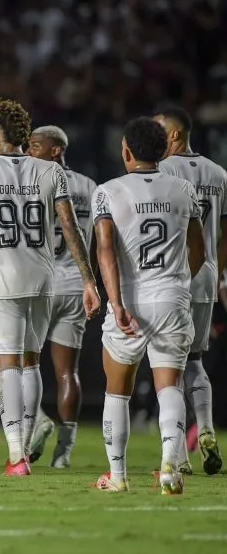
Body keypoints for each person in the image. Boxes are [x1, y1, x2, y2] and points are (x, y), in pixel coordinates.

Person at [0, 98, 100, 476]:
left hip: (1, 280)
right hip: (43, 278)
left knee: (6, 365)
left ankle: (16, 454)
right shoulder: (51, 172)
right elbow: (71, 228)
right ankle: (28, 442)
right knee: (32, 362)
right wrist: (87, 278)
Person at [92, 117, 206, 493]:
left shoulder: (108, 192)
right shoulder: (184, 190)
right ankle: (170, 468)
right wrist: (175, 283)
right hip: (172, 297)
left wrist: (117, 301)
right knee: (169, 386)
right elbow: (199, 251)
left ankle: (118, 476)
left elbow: (106, 252)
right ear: (162, 151)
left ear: (126, 150)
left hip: (132, 299)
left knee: (117, 390)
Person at [154, 105, 225, 476]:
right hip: (207, 276)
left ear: (175, 135)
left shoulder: (162, 171)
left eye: (157, 131)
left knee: (171, 367)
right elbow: (224, 236)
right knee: (194, 359)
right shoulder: (220, 174)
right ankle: (208, 429)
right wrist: (217, 272)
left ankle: (179, 454)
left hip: (173, 276)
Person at [25, 125, 98, 468]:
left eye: (36, 146)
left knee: (22, 365)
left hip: (38, 285)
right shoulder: (90, 187)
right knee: (68, 372)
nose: (29, 151)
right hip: (75, 285)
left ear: (56, 150)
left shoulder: (32, 182)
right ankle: (64, 453)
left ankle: (37, 420)